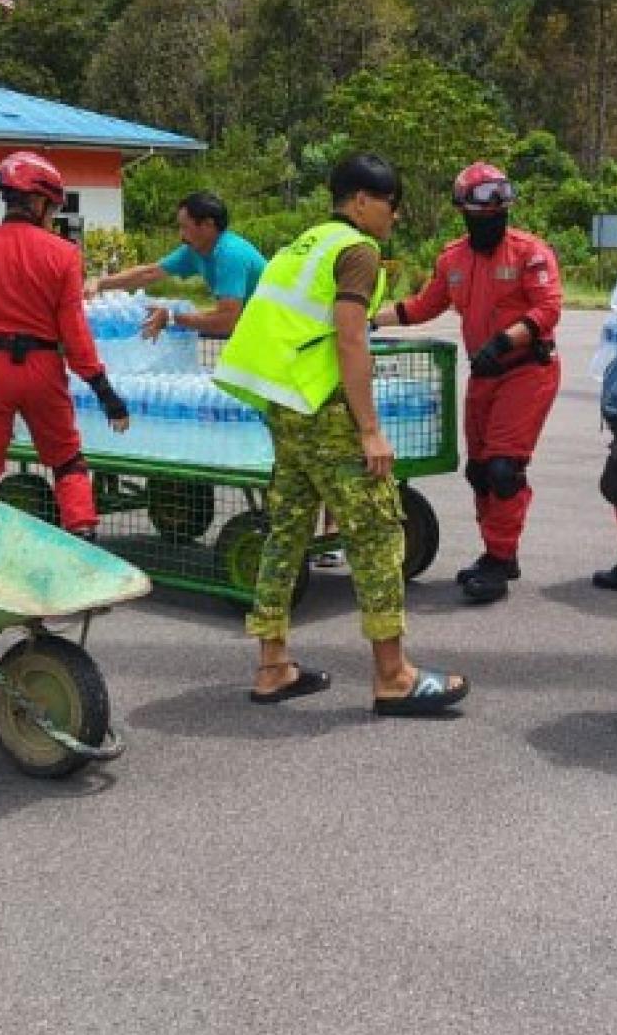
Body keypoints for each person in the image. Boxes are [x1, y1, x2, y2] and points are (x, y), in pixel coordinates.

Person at [214, 153, 468, 715]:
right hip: (326, 411)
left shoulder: (302, 244)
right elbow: (350, 341)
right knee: (377, 534)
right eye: (390, 204)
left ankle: (273, 665)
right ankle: (393, 676)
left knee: (286, 534)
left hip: (285, 407)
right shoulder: (357, 252)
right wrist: (370, 431)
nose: (395, 216)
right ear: (360, 201)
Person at [375, 162, 562, 604]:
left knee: (503, 468)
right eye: (483, 199)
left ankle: (499, 559)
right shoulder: (453, 259)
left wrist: (504, 341)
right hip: (485, 376)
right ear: (463, 207)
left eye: (501, 198)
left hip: (526, 371)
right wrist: (365, 319)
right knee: (479, 471)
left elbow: (547, 309)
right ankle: (499, 552)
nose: (495, 208)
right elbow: (422, 306)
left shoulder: (530, 253)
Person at [0, 151, 128, 540]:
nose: (52, 214)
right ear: (39, 202)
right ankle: (84, 551)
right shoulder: (63, 254)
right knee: (67, 462)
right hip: (43, 370)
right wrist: (105, 392)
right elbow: (75, 335)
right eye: (52, 207)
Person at [88, 190, 267, 338]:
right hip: (254, 330)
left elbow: (226, 321)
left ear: (207, 225)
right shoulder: (195, 250)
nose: (181, 235)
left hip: (277, 333)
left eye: (185, 227)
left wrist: (172, 318)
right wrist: (100, 283)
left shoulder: (230, 254)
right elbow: (149, 273)